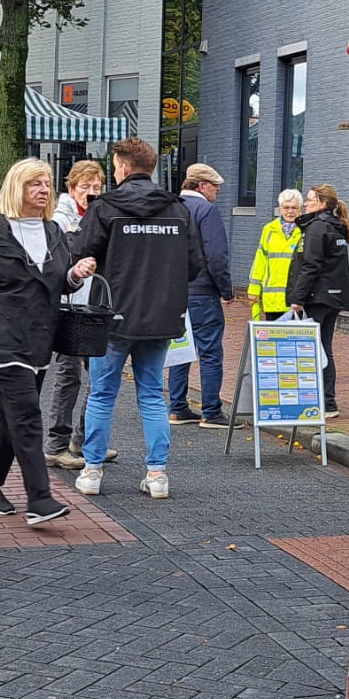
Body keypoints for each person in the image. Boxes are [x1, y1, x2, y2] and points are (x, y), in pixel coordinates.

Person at [72, 137, 203, 499]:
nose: (114, 172)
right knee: (151, 395)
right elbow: (195, 265)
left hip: (113, 316)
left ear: (125, 168)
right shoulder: (178, 209)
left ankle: (92, 470)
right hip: (161, 318)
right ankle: (157, 474)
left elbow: (81, 253)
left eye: (114, 166)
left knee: (101, 394)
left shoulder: (106, 207)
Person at [0, 159, 84, 525]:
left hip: (40, 337)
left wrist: (75, 275)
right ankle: (40, 498)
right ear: (16, 187)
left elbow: (59, 282)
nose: (42, 189)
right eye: (34, 183)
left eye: (47, 183)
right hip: (2, 337)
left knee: (12, 415)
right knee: (27, 416)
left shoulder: (54, 230)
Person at [46, 159, 113, 469]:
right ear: (71, 188)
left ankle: (84, 438)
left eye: (96, 187)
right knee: (68, 374)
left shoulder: (102, 217)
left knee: (98, 376)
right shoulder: (60, 221)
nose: (91, 192)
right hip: (68, 307)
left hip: (94, 307)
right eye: (85, 186)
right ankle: (56, 444)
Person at [168, 162, 238, 428]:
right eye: (215, 186)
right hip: (202, 292)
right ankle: (211, 411)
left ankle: (177, 407)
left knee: (179, 349)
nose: (218, 191)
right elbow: (216, 255)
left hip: (174, 292)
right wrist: (226, 289)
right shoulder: (206, 210)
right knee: (209, 351)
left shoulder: (170, 207)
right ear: (201, 185)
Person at [286, 183, 349, 417]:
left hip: (318, 296)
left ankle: (323, 402)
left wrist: (298, 297)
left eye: (310, 199)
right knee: (324, 347)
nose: (305, 203)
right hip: (332, 296)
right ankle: (327, 402)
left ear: (323, 203)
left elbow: (310, 265)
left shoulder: (318, 228)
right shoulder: (335, 226)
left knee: (314, 349)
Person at [248, 189, 304, 320]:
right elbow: (260, 261)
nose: (290, 211)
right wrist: (254, 289)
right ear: (280, 209)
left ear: (300, 210)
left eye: (294, 208)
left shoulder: (305, 231)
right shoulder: (269, 230)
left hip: (295, 300)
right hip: (271, 299)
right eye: (286, 207)